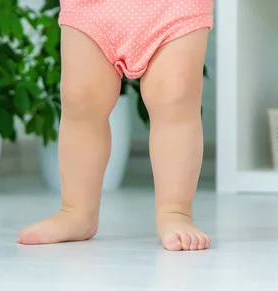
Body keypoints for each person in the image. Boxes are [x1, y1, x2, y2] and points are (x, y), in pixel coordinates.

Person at [18, 0, 214, 251]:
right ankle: (76, 211)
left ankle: (176, 211)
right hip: (92, 7)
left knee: (175, 97)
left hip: (174, 6)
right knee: (81, 99)